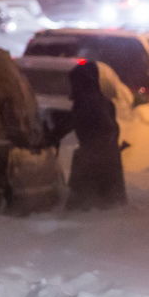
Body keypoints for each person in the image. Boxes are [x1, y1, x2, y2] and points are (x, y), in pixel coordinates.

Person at [61, 60, 127, 211]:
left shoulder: (85, 102)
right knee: (109, 205)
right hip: (109, 158)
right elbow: (113, 129)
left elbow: (70, 123)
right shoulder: (104, 101)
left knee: (82, 205)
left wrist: (49, 137)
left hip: (92, 158)